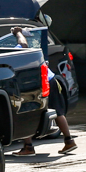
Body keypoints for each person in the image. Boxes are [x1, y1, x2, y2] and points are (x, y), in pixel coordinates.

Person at [11, 27, 77, 157]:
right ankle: (69, 141)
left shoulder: (13, 54)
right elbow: (24, 44)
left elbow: (23, 44)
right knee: (58, 111)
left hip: (38, 84)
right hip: (50, 79)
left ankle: (28, 147)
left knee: (26, 113)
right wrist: (18, 33)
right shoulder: (18, 53)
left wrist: (17, 32)